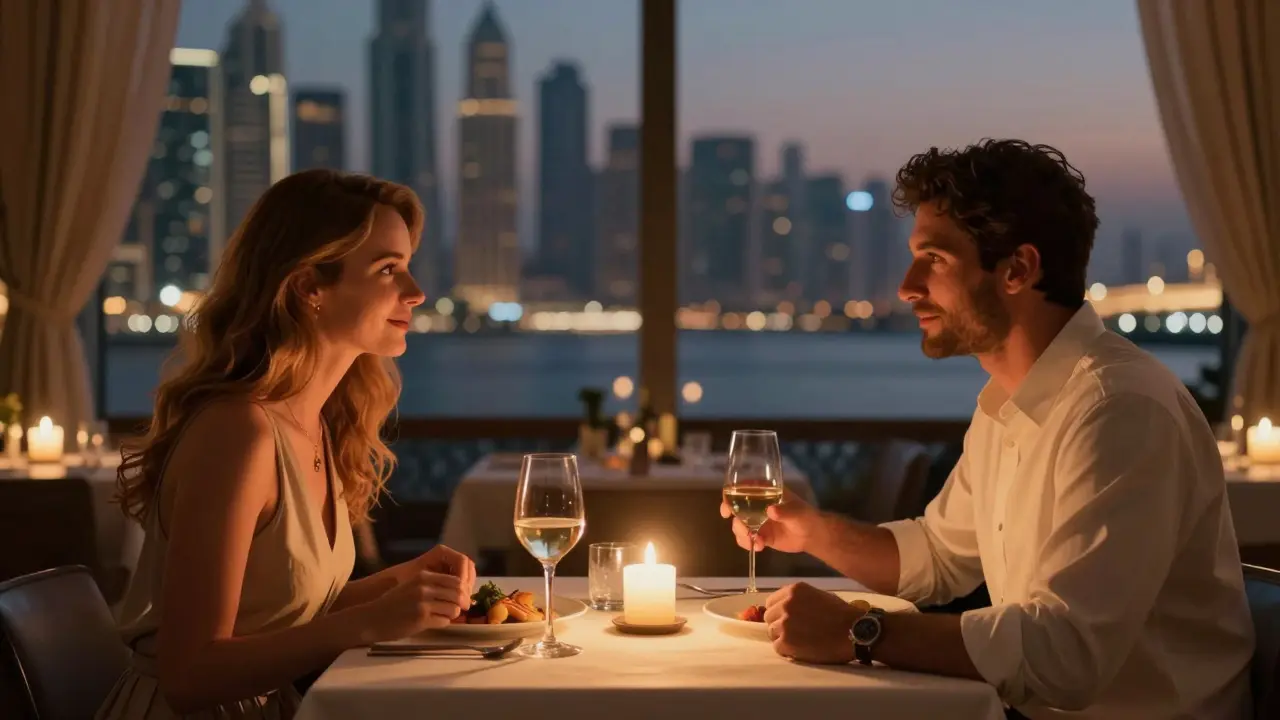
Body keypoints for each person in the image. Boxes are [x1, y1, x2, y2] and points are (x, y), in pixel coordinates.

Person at [722, 140, 1254, 719]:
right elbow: (940, 557)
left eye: (936, 259)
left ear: (1017, 270)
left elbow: (1065, 656)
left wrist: (859, 630)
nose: (907, 286)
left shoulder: (1119, 409)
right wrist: (811, 531)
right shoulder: (1007, 404)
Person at [98, 169, 477, 718]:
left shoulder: (317, 421)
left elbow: (273, 617)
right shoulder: (239, 434)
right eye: (388, 270)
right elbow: (188, 674)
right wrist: (368, 621)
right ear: (309, 288)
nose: (416, 293)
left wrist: (394, 587)